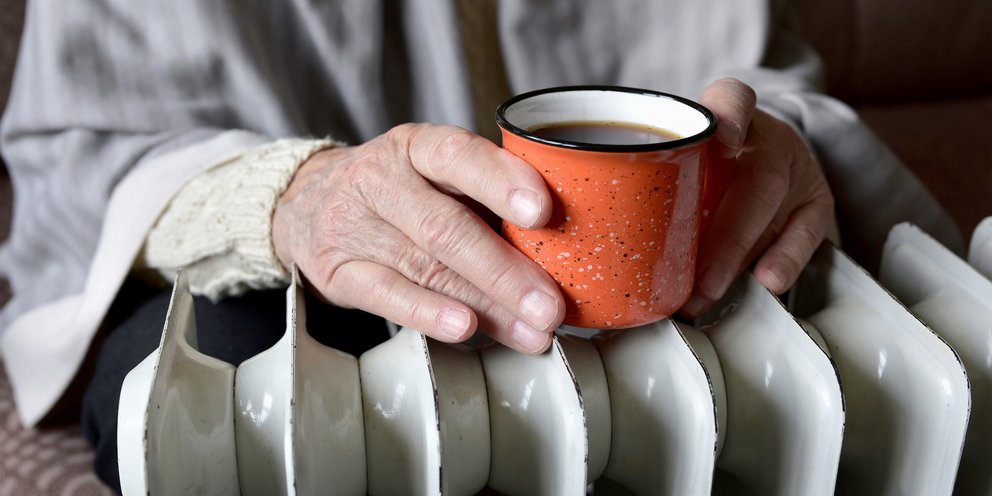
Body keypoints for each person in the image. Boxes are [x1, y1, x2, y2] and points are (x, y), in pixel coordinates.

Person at [0, 0, 961, 492]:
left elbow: (759, 79)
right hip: (287, 290)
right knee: (243, 360)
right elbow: (84, 146)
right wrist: (293, 195)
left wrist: (769, 143)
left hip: (652, 305)